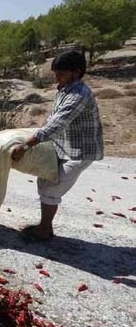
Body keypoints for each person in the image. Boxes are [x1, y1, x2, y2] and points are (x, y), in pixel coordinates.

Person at [11, 50, 103, 241]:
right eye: (56, 74)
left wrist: (26, 146)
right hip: (62, 146)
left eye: (61, 74)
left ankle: (44, 232)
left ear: (76, 72)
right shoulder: (64, 89)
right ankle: (45, 227)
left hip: (79, 152)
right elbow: (52, 119)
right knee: (45, 180)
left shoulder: (79, 95)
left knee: (52, 187)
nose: (57, 79)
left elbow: (57, 124)